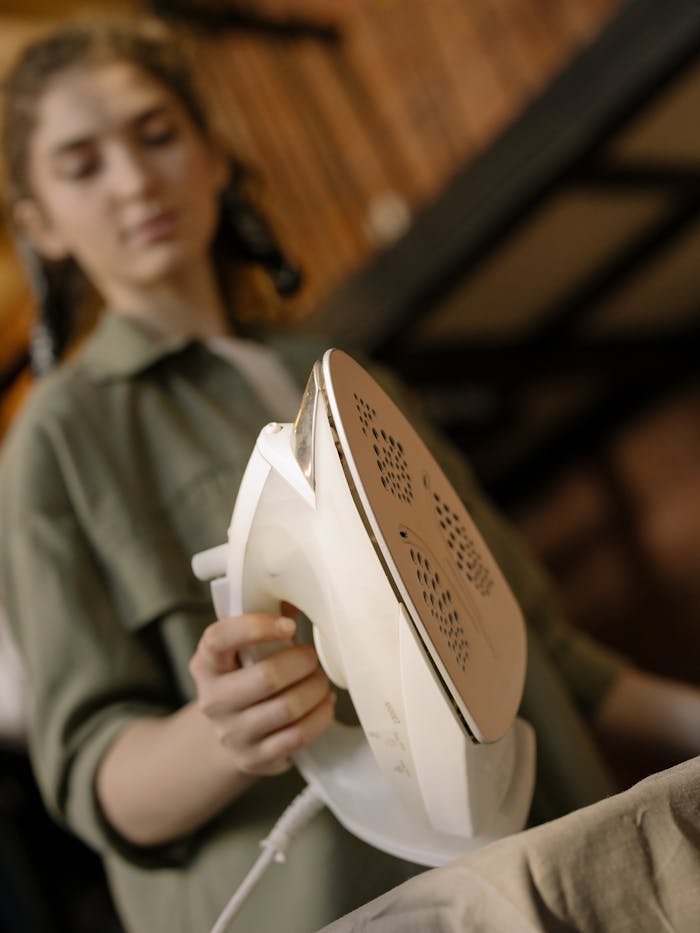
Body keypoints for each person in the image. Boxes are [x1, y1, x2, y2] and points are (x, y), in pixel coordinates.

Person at [1, 16, 699, 933]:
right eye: (82, 164)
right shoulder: (60, 440)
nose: (135, 180)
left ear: (215, 155)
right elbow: (96, 780)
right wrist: (225, 730)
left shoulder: (354, 379)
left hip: (556, 862)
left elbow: (538, 649)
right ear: (39, 224)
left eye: (158, 134)